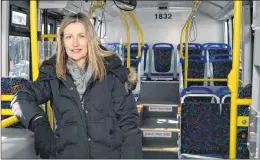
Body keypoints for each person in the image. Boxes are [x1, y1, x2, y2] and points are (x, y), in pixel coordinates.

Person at [11, 13, 142, 159]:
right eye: (69, 37)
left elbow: (129, 125)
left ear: (90, 39)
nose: (75, 43)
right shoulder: (52, 74)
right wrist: (38, 122)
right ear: (62, 41)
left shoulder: (111, 73)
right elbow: (21, 97)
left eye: (81, 36)